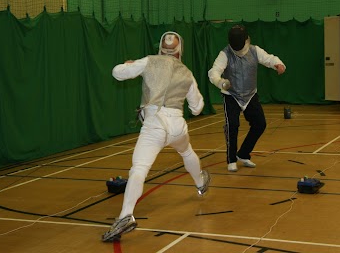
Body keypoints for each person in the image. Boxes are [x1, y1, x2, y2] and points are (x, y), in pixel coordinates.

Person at [102, 31, 211, 242]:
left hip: (155, 124)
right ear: (180, 50)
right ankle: (200, 183)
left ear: (161, 47)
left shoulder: (149, 61)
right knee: (186, 151)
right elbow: (197, 108)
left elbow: (117, 72)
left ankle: (126, 216)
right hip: (177, 124)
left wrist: (129, 65)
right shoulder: (187, 73)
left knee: (139, 169)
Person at [208, 25, 286, 172]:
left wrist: (278, 63)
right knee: (232, 126)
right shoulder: (225, 54)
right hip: (231, 96)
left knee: (260, 124)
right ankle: (231, 160)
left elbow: (268, 58)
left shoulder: (254, 50)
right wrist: (220, 82)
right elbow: (214, 71)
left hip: (250, 95)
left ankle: (243, 154)